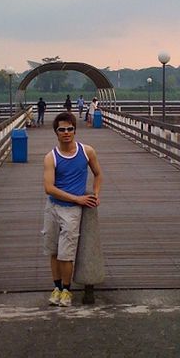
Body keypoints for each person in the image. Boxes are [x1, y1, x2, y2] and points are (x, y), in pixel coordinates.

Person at [42, 112, 102, 307]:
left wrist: (95, 193)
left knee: (66, 253)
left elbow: (98, 174)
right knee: (53, 250)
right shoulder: (51, 157)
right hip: (53, 207)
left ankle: (67, 290)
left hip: (72, 211)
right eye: (62, 129)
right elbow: (49, 188)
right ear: (56, 133)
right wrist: (77, 198)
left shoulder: (87, 151)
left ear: (75, 130)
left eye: (70, 129)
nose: (66, 132)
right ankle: (57, 287)